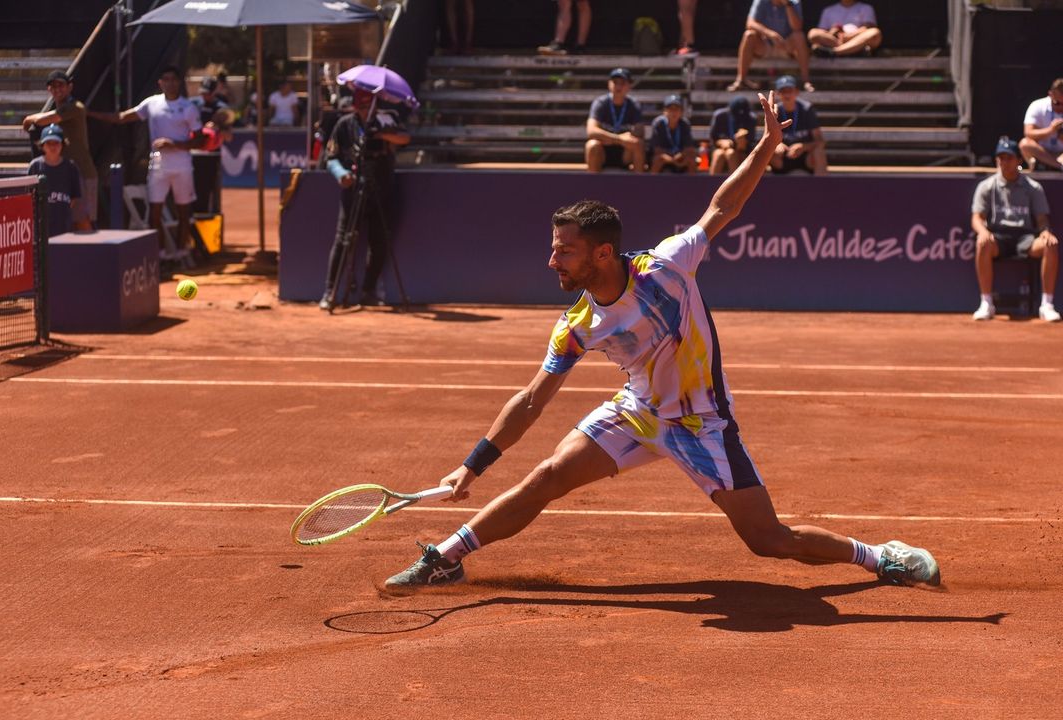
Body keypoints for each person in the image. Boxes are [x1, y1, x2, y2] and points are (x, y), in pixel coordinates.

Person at [383, 90, 941, 593]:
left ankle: (879, 556)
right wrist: (472, 466)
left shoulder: (666, 267)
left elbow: (724, 207)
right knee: (547, 477)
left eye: (565, 250)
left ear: (603, 253)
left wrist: (767, 145)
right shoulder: (577, 324)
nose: (552, 260)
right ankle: (447, 558)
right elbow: (531, 400)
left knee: (770, 540)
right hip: (638, 412)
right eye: (554, 249)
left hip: (701, 422)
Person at [89, 66, 204, 252]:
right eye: (166, 79)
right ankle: (159, 256)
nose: (170, 83)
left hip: (182, 166)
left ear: (179, 82)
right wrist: (88, 113)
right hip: (158, 166)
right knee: (154, 213)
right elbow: (122, 118)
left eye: (173, 79)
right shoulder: (151, 103)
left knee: (183, 212)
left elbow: (200, 140)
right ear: (160, 83)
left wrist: (173, 144)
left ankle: (180, 254)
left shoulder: (188, 108)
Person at [319, 86, 411, 310]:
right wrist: (341, 174)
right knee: (344, 239)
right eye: (361, 106)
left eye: (369, 105)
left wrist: (382, 135)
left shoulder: (387, 119)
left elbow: (404, 138)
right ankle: (330, 292)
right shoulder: (344, 125)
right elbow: (330, 157)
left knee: (380, 242)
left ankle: (368, 291)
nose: (366, 110)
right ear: (355, 106)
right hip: (354, 189)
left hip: (382, 188)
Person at [971, 137, 1060, 322]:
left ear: (1019, 160)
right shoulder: (986, 186)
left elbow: (1042, 220)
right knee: (982, 243)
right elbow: (977, 218)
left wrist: (1045, 232)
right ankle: (986, 303)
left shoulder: (1033, 187)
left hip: (1025, 238)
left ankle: (1047, 305)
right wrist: (984, 232)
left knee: (1050, 244)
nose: (1004, 162)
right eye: (1001, 158)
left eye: (1009, 158)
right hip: (998, 237)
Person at [22, 70, 96, 231]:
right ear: (49, 89)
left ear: (70, 87)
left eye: (61, 85)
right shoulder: (59, 108)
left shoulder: (76, 107)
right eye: (53, 86)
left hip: (82, 173)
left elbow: (45, 119)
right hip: (64, 174)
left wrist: (28, 119)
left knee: (83, 222)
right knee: (66, 222)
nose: (57, 89)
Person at [728, 0, 814, 93]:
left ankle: (806, 81)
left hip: (786, 46)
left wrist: (788, 5)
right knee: (749, 35)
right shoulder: (760, 1)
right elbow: (750, 23)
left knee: (799, 36)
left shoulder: (794, 2)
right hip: (765, 46)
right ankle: (741, 80)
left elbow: (797, 27)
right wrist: (770, 34)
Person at [585, 68, 646, 173]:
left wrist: (610, 138)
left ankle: (639, 182)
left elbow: (640, 131)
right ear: (609, 84)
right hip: (603, 151)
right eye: (615, 82)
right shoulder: (600, 103)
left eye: (622, 83)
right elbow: (591, 131)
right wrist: (618, 138)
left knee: (638, 144)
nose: (618, 86)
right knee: (592, 145)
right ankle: (592, 182)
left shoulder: (633, 104)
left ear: (629, 86)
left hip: (624, 153)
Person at [26, 124, 81, 237]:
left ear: (62, 144)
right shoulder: (35, 166)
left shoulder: (71, 167)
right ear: (42, 145)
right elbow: (29, 194)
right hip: (41, 223)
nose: (52, 147)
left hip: (63, 222)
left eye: (56, 143)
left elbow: (74, 196)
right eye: (48, 143)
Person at [769, 74, 827, 175]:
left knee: (819, 152)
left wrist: (803, 147)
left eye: (790, 91)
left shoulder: (807, 109)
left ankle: (821, 184)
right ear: (778, 93)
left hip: (805, 157)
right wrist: (777, 145)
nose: (787, 95)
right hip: (782, 158)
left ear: (796, 92)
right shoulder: (774, 111)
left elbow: (820, 142)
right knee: (767, 152)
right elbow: (767, 139)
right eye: (783, 91)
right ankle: (762, 184)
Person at [807, 0, 882, 57]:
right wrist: (833, 32)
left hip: (857, 39)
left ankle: (835, 52)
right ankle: (851, 51)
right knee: (813, 33)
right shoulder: (828, 10)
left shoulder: (866, 8)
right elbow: (822, 31)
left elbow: (868, 27)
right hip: (835, 41)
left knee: (874, 32)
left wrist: (851, 36)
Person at [1018, 78, 1063, 173]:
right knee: (1025, 144)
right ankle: (1058, 166)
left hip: (1061, 155)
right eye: (1057, 103)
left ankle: (1051, 166)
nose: (1061, 107)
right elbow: (1028, 133)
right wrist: (1051, 130)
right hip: (1042, 153)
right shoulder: (1037, 105)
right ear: (1050, 94)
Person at [709, 95, 757, 175]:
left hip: (741, 152)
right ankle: (711, 182)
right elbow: (714, 138)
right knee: (719, 154)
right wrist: (721, 142)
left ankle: (736, 183)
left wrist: (741, 141)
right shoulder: (720, 116)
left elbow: (749, 143)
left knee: (731, 153)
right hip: (720, 148)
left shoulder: (750, 118)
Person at [649, 94, 697, 174]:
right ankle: (650, 182)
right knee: (658, 159)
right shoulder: (658, 124)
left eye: (676, 109)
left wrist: (680, 156)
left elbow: (689, 148)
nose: (673, 112)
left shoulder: (685, 124)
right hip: (665, 157)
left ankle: (694, 182)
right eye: (670, 109)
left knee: (691, 160)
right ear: (665, 111)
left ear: (681, 112)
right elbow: (657, 149)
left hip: (680, 158)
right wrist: (671, 159)